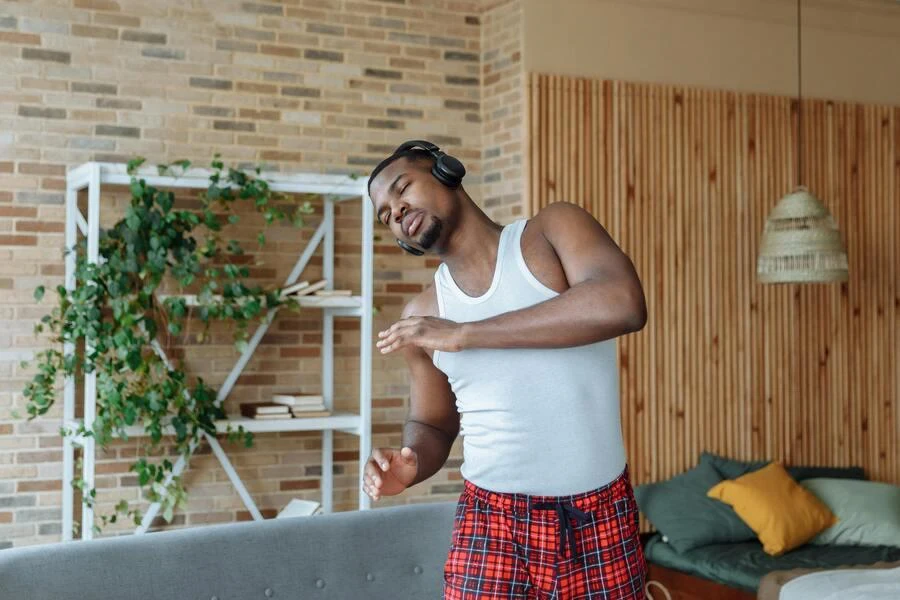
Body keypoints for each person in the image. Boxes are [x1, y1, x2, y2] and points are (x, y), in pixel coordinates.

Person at [363, 140, 649, 599]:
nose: (396, 211)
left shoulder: (552, 232)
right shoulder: (423, 314)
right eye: (385, 215)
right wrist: (410, 463)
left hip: (600, 517)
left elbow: (622, 303)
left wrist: (466, 334)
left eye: (403, 190)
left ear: (446, 171)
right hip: (490, 524)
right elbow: (432, 423)